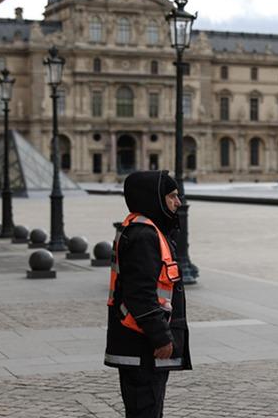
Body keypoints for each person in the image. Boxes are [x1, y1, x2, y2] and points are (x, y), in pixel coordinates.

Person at [105, 170, 192, 417]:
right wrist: (162, 337)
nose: (178, 203)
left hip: (139, 342)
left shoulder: (145, 229)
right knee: (146, 410)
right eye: (172, 196)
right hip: (143, 345)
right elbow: (140, 294)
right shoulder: (145, 236)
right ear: (153, 198)